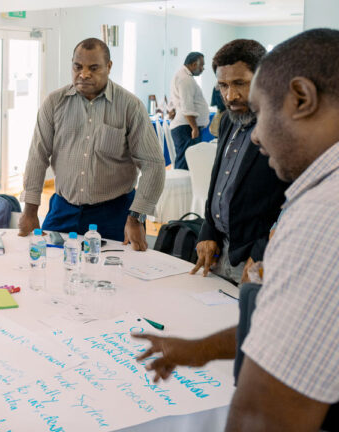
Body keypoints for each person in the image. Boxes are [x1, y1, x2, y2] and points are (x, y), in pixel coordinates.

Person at [134, 29, 339, 431]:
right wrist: (201, 349)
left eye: (263, 112)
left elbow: (264, 416)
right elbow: (294, 324)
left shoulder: (323, 215)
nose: (257, 136)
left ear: (301, 98)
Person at [18, 38, 165, 250]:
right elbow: (37, 156)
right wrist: (30, 210)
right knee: (51, 268)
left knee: (111, 277)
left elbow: (153, 164)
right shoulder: (54, 102)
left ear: (109, 67)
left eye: (93, 68)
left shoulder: (129, 106)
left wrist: (136, 217)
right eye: (78, 67)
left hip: (114, 213)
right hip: (62, 209)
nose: (84, 74)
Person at [190, 39, 289, 284]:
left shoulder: (283, 126)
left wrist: (263, 251)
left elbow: (293, 202)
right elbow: (218, 181)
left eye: (239, 84)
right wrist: (208, 230)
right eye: (222, 85)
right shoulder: (227, 121)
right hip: (217, 251)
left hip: (255, 256)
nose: (229, 95)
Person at [169, 51, 209, 170]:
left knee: (189, 161)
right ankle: (183, 188)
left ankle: (186, 188)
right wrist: (194, 128)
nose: (203, 68)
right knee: (186, 162)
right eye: (201, 65)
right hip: (187, 127)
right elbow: (187, 106)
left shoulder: (183, 76)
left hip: (186, 126)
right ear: (192, 64)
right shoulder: (185, 79)